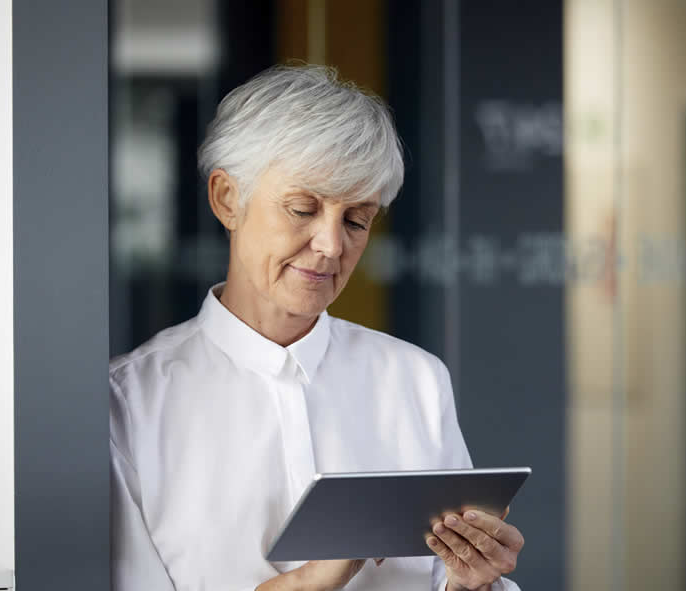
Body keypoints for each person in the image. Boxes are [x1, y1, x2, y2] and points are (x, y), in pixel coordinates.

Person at [110, 64, 525, 591]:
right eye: (303, 209)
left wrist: (473, 583)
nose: (332, 245)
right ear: (226, 199)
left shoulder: (414, 379)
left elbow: (446, 580)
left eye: (357, 220)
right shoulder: (130, 403)